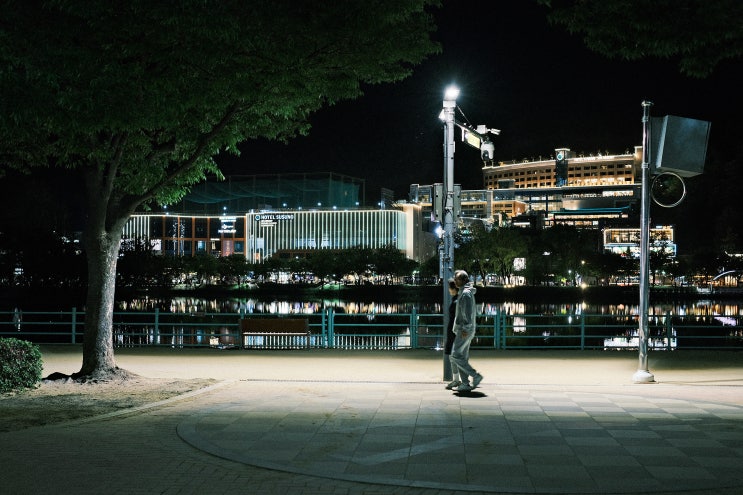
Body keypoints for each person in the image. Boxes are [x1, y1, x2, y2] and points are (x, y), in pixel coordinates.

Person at [449, 270, 483, 392]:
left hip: (464, 330)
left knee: (455, 355)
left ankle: (475, 375)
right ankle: (465, 383)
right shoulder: (464, 292)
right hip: (464, 329)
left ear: (464, 280)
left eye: (457, 279)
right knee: (461, 356)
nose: (455, 281)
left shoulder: (466, 294)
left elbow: (467, 314)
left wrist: (464, 329)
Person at [444, 279, 461, 389]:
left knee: (454, 356)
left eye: (450, 288)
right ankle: (458, 379)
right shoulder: (457, 299)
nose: (449, 290)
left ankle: (457, 379)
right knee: (455, 356)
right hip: (454, 331)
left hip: (455, 332)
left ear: (454, 289)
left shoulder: (457, 301)